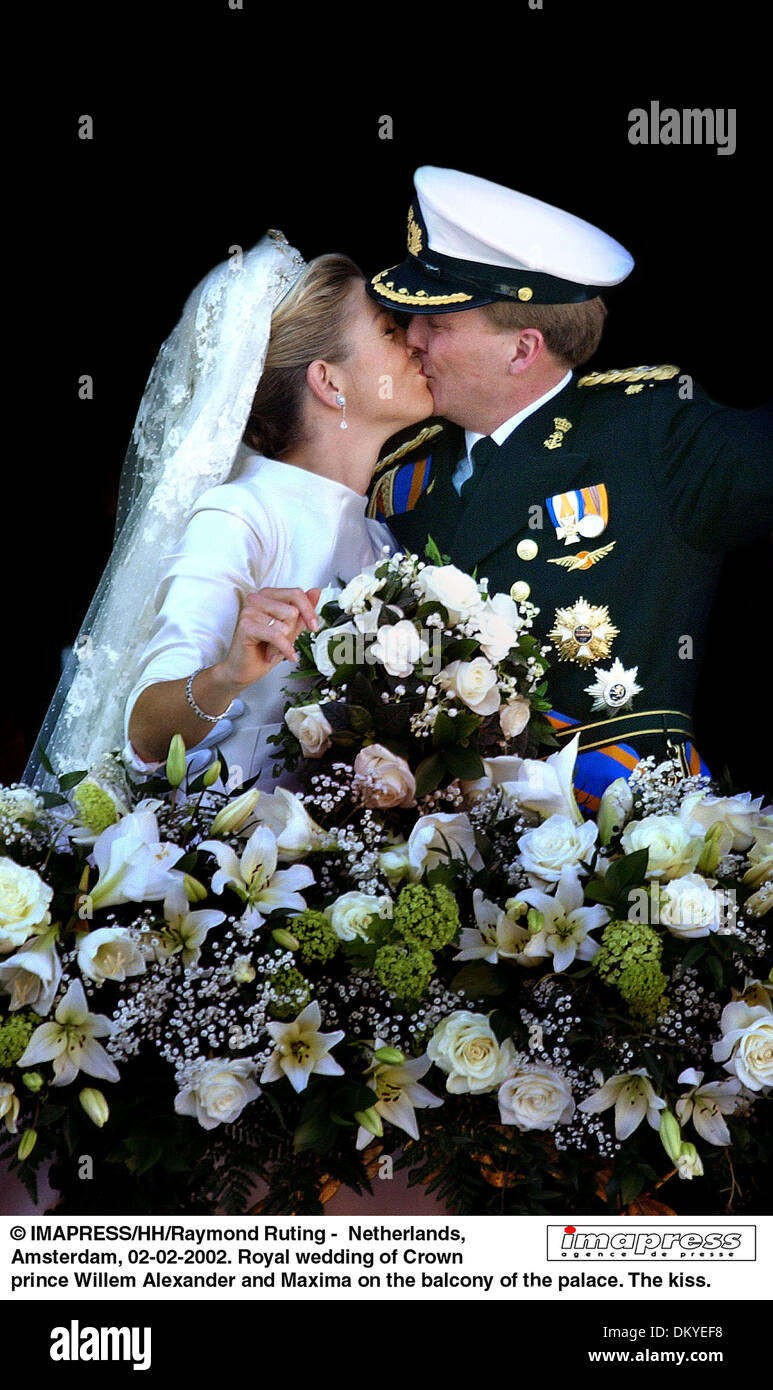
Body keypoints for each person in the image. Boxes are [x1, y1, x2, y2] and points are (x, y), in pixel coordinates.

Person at [366, 167, 773, 808]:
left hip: (623, 851)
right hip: (440, 843)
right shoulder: (399, 475)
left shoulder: (655, 435)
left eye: (437, 325)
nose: (409, 338)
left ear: (523, 349)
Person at [23, 235, 432, 793]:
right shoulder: (241, 514)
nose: (415, 342)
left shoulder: (382, 536)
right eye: (389, 331)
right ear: (328, 382)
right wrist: (229, 674)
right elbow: (145, 734)